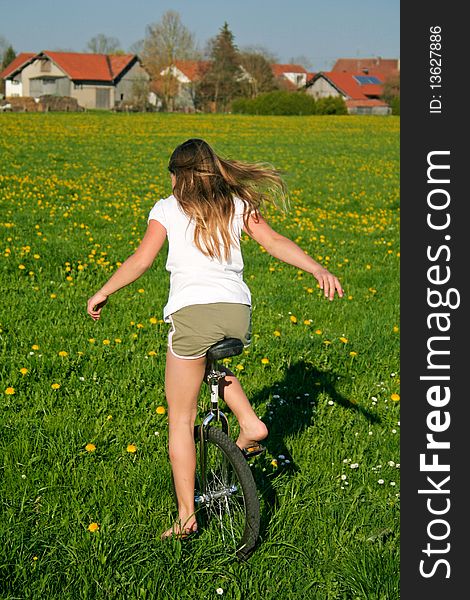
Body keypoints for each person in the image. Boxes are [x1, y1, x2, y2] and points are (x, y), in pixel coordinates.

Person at [87, 138, 343, 540]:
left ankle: (186, 517)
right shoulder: (237, 203)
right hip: (237, 314)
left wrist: (103, 291)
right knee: (208, 365)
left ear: (178, 177)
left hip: (192, 315)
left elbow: (141, 260)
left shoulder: (166, 209)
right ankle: (250, 423)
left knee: (181, 419)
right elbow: (274, 243)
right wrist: (317, 269)